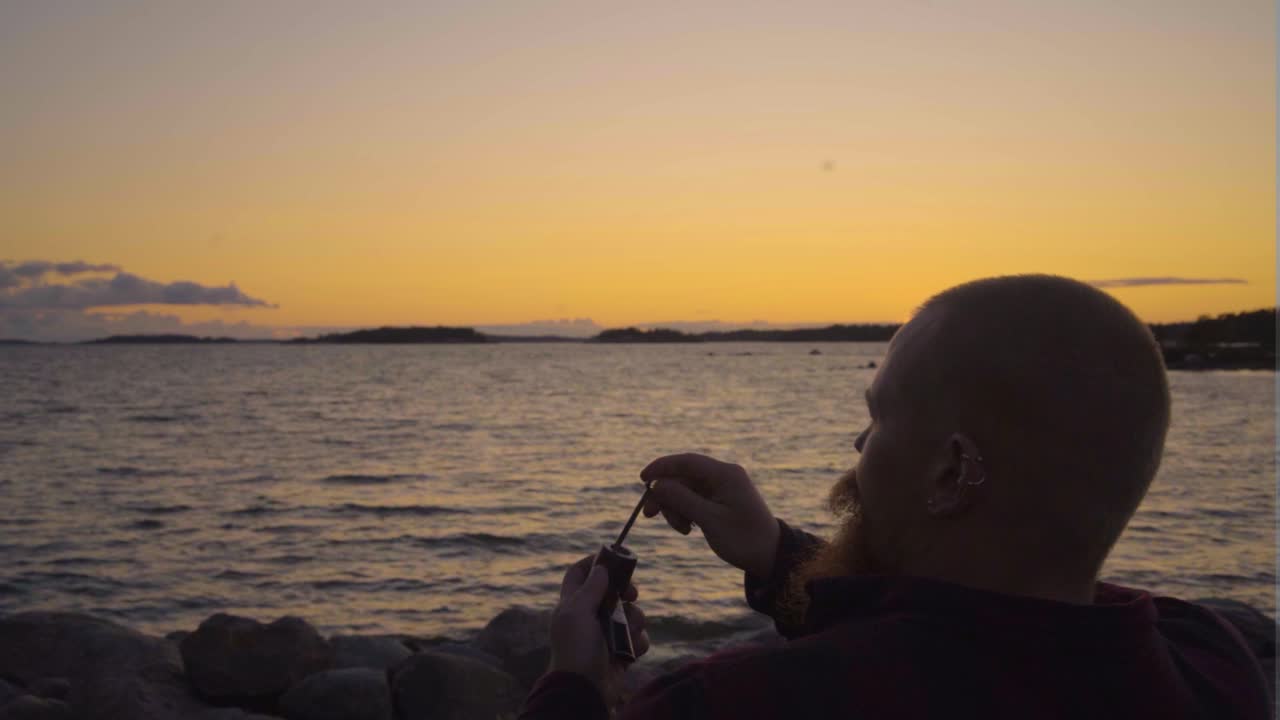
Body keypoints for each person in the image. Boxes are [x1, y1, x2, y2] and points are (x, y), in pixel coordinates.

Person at [520, 275, 1273, 720]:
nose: (857, 447)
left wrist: (576, 689)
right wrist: (780, 557)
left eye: (877, 417)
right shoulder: (1212, 663)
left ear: (951, 474)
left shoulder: (732, 703)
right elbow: (983, 631)